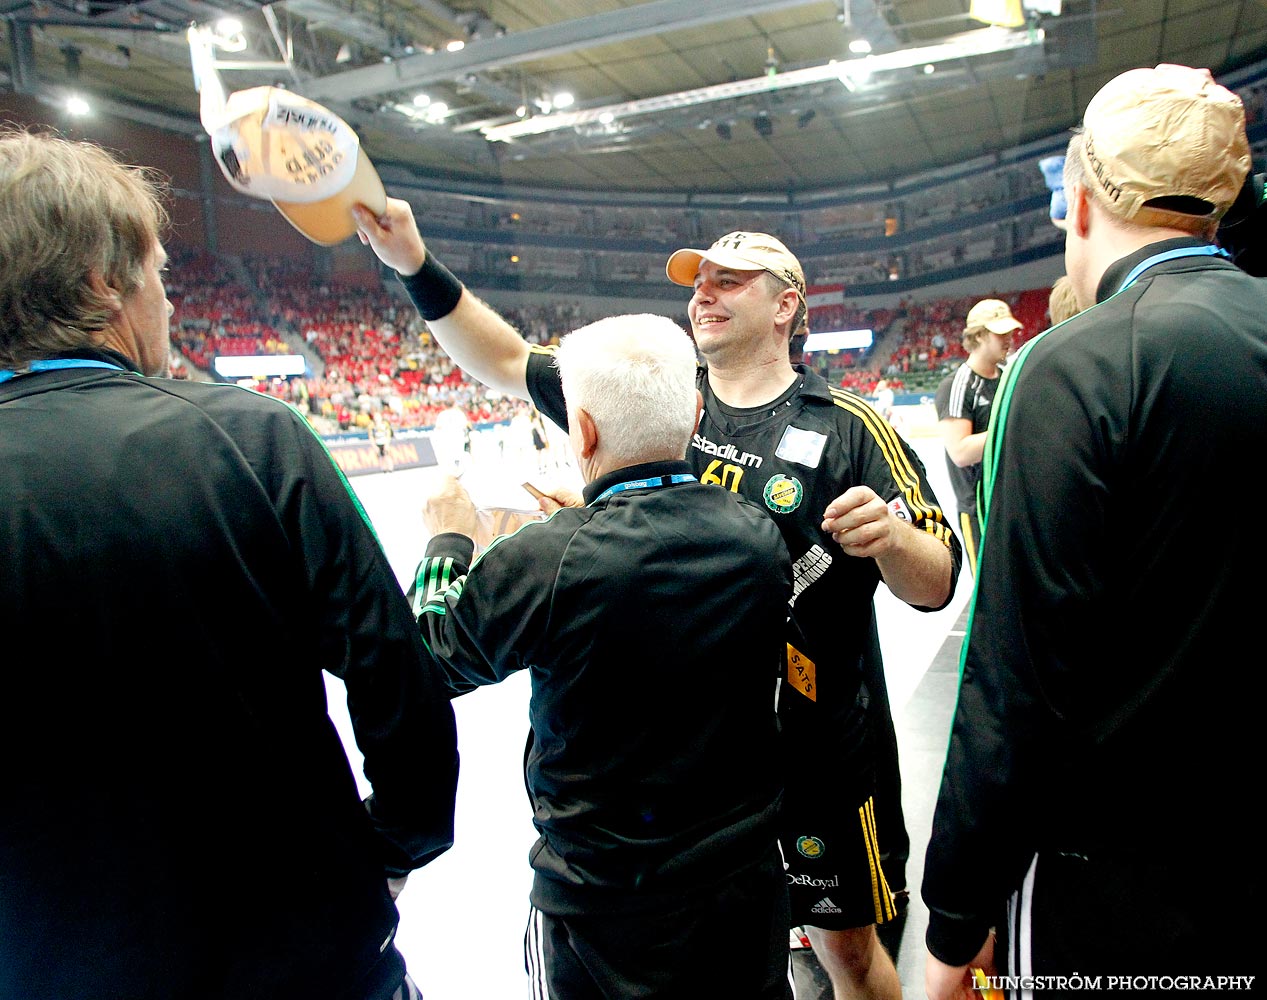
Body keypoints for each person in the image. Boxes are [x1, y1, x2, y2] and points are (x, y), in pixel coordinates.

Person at [353, 206, 962, 1000]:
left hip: (817, 758)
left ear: (786, 304)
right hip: (683, 785)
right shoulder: (660, 394)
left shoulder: (849, 428)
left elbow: (940, 580)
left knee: (845, 951)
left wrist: (888, 538)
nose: (704, 294)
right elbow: (500, 357)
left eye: (728, 281)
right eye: (697, 282)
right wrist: (413, 263)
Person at [0, 128, 459, 1000]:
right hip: (304, 950)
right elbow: (395, 674)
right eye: (162, 279)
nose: (170, 305)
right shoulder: (251, 437)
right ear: (106, 285)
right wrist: (400, 844)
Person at [921, 64, 1263, 998]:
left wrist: (954, 917)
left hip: (1112, 873)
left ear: (1076, 202)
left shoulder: (1074, 365)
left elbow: (1015, 678)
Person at [407, 314, 794, 998]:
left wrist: (448, 543)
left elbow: (426, 662)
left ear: (580, 430)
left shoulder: (545, 559)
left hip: (602, 913)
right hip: (743, 893)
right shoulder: (756, 535)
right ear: (695, 412)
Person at [932, 299, 1021, 576]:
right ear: (979, 335)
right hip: (978, 507)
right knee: (989, 587)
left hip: (1010, 499)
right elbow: (960, 451)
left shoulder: (1008, 377)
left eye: (1010, 332)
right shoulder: (959, 384)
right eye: (1001, 333)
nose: (1009, 339)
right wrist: (1013, 427)